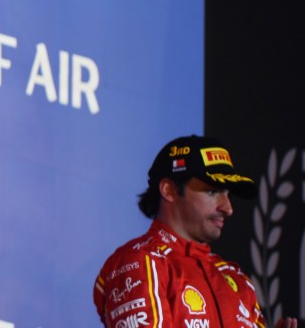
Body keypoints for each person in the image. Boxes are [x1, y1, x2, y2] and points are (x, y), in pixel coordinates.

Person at [93, 135, 299, 328]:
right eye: (213, 191)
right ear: (169, 190)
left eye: (228, 195)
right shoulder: (141, 262)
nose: (228, 209)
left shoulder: (236, 278)